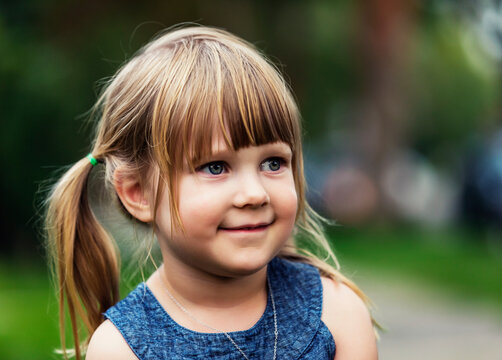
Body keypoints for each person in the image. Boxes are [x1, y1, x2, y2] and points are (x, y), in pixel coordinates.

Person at [45, 25, 378, 360]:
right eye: (215, 167)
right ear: (138, 194)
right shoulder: (122, 348)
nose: (254, 193)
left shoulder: (335, 313)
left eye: (273, 163)